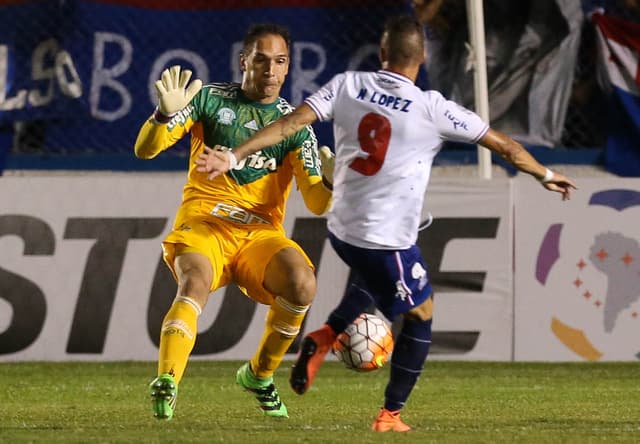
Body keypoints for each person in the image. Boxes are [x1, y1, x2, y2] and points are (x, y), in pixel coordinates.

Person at [195, 15, 577, 432]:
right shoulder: (433, 107)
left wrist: (232, 156)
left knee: (371, 283)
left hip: (342, 229)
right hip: (383, 238)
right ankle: (390, 414)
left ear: (381, 54)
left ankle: (323, 338)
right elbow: (503, 145)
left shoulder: (347, 85)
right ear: (422, 58)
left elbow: (289, 124)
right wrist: (544, 174)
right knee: (421, 315)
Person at [134, 23, 333, 420]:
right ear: (244, 61)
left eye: (280, 62)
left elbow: (316, 204)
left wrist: (328, 181)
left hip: (259, 235)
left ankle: (259, 375)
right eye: (261, 60)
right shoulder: (208, 99)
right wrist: (162, 116)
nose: (271, 71)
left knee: (302, 284)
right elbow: (145, 150)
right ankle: (168, 381)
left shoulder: (294, 127)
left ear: (289, 66)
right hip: (204, 223)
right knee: (195, 282)